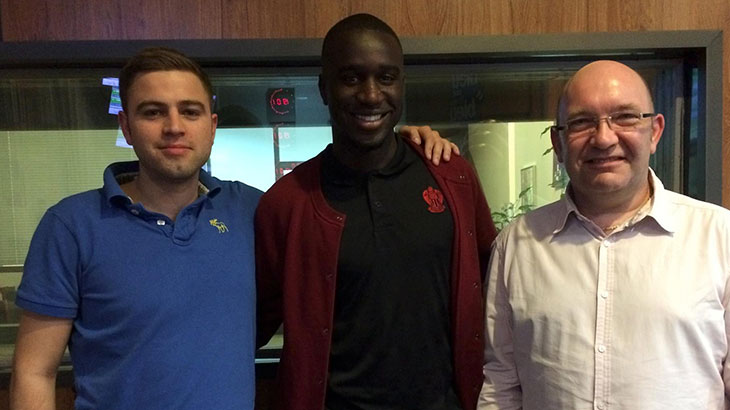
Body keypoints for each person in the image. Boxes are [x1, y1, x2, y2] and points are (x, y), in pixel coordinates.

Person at [256, 13, 497, 410]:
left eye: (386, 78)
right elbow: (249, 326)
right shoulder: (285, 204)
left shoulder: (453, 177)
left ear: (401, 85)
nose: (370, 95)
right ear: (324, 88)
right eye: (351, 78)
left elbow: (494, 285)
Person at [10, 47, 263, 410]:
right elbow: (35, 372)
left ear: (212, 127)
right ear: (126, 127)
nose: (174, 127)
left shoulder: (250, 211)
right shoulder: (71, 226)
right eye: (153, 112)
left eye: (190, 111)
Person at [479, 60, 730, 410]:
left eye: (625, 117)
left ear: (655, 131)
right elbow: (501, 386)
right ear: (558, 143)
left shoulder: (719, 237)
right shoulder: (516, 246)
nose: (604, 138)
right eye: (582, 122)